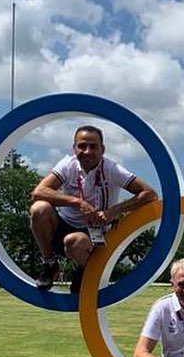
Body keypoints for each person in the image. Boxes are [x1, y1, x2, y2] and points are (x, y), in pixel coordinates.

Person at [29, 125, 157, 293]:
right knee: (39, 209)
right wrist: (78, 202)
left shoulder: (111, 169)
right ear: (74, 148)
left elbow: (150, 194)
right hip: (63, 226)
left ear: (102, 149)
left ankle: (84, 269)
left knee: (74, 241)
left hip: (94, 234)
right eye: (82, 146)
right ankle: (50, 264)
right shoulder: (68, 164)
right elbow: (38, 193)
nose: (87, 151)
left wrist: (114, 211)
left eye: (93, 146)